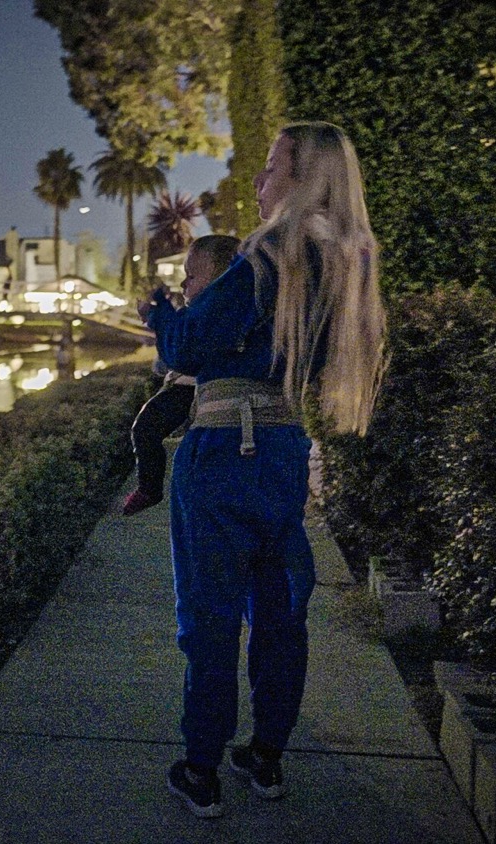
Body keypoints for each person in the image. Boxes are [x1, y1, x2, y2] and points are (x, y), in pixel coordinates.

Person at [140, 121, 387, 818]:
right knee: (280, 614)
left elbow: (188, 345)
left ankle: (201, 767)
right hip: (282, 449)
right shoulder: (342, 264)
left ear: (304, 180)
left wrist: (160, 313)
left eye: (272, 166)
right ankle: (266, 756)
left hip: (222, 449)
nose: (259, 180)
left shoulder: (266, 256)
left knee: (211, 617)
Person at [121, 234, 241, 516]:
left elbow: (182, 351)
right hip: (189, 389)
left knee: (146, 428)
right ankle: (149, 487)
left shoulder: (216, 312)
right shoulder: (203, 311)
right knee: (146, 429)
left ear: (221, 279)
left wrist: (158, 316)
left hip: (192, 390)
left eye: (192, 277)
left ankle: (149, 488)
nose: (184, 284)